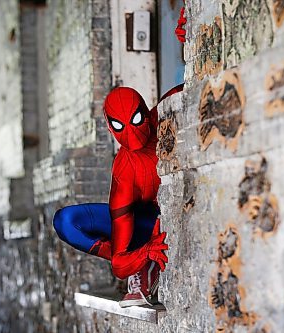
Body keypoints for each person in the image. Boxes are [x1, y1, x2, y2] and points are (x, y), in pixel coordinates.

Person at [53, 5, 187, 308]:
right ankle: (142, 269)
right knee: (66, 221)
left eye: (137, 120)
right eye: (120, 126)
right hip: (145, 224)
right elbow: (118, 264)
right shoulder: (124, 173)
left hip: (165, 214)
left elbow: (195, 85)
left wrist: (187, 39)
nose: (132, 131)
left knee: (150, 228)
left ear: (145, 112)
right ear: (112, 129)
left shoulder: (164, 112)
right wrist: (141, 254)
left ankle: (142, 261)